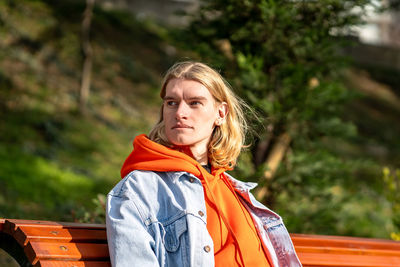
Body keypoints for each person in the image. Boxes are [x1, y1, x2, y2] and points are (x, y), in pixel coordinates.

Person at [106, 61, 302, 267]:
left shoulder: (234, 190)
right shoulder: (138, 190)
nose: (180, 112)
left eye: (194, 103)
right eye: (171, 102)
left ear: (221, 113)